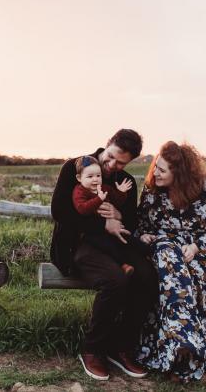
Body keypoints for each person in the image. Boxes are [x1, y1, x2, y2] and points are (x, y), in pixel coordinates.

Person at [50, 129, 158, 381]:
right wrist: (102, 224)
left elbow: (130, 220)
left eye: (120, 163)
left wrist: (118, 217)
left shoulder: (126, 182)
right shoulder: (75, 168)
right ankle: (93, 349)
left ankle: (121, 347)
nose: (111, 166)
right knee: (115, 280)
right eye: (109, 158)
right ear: (106, 145)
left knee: (148, 277)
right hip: (77, 244)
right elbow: (60, 212)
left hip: (115, 245)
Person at [136, 141, 206, 383]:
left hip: (200, 254)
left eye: (162, 170)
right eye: (155, 167)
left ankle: (181, 347)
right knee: (167, 252)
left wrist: (197, 246)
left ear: (179, 174)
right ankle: (184, 342)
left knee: (189, 274)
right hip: (163, 251)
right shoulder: (151, 191)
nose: (155, 173)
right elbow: (141, 224)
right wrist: (144, 235)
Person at [72, 155, 135, 275]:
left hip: (113, 225)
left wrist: (121, 192)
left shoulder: (104, 188)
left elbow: (117, 201)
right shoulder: (79, 191)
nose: (95, 179)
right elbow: (82, 209)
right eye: (90, 176)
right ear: (79, 178)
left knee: (129, 240)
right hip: (93, 231)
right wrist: (99, 199)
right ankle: (123, 265)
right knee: (108, 245)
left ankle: (147, 253)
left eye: (98, 176)